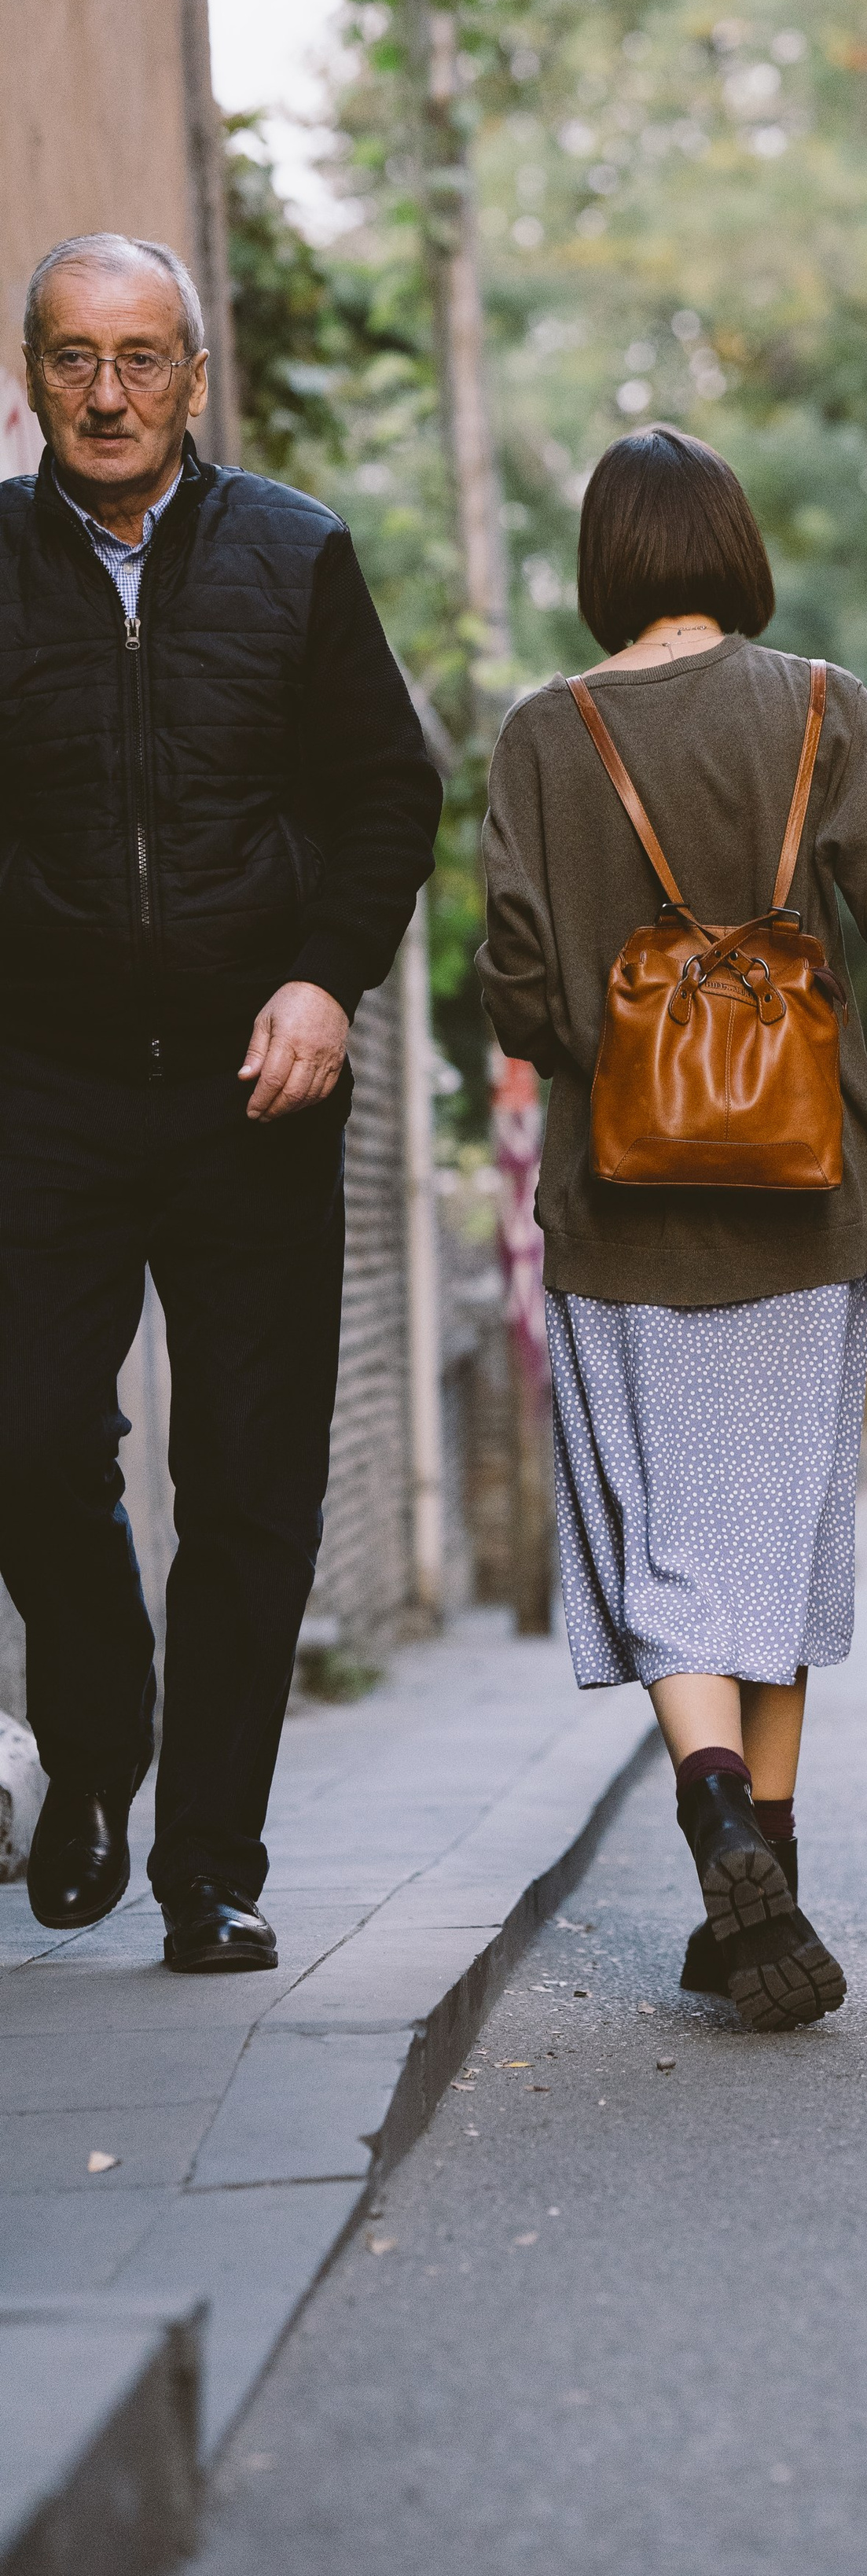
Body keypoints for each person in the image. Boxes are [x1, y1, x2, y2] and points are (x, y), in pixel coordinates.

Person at [476, 425, 867, 2033]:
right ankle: (760, 1862)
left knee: (665, 1550)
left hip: (622, 1212)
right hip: (800, 1201)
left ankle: (710, 1815)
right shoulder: (823, 706)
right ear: (734, 549)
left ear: (604, 563)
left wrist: (618, 1041)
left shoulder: (538, 738)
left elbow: (517, 988)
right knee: (771, 1545)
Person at [0, 234, 443, 1971]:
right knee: (26, 1436)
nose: (107, 393)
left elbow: (384, 800)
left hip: (259, 1091)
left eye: (140, 358)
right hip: (42, 1085)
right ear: (33, 376)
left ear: (195, 377)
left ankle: (211, 1866)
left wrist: (327, 977)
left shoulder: (296, 553)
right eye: (71, 357)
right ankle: (96, 1750)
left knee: (253, 1481)